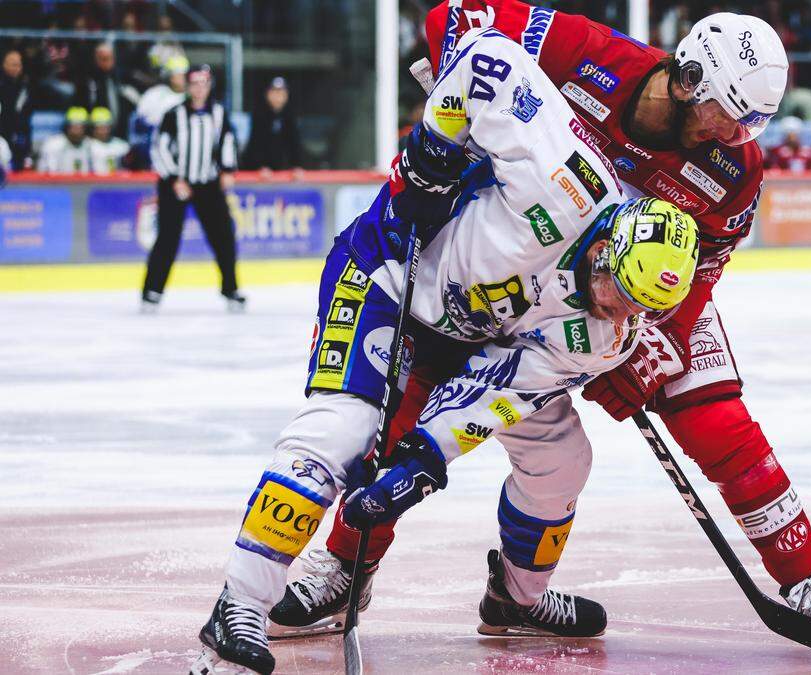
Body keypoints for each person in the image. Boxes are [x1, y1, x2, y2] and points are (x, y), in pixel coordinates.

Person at [282, 1, 811, 638]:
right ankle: (344, 566)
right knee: (405, 406)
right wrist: (460, 110)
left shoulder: (736, 170)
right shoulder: (582, 48)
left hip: (633, 295)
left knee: (716, 419)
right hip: (502, 259)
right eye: (727, 117)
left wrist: (653, 343)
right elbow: (454, 15)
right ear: (690, 77)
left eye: (750, 126)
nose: (733, 139)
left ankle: (803, 574)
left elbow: (703, 271)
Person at [190, 26, 700, 673]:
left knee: (562, 456)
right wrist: (431, 150)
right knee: (342, 431)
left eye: (637, 306)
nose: (616, 310)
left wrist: (424, 457)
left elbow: (504, 385)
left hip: (472, 337)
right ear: (611, 240)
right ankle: (239, 602)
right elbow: (488, 58)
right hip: (384, 275)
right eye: (615, 286)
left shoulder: (610, 334)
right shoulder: (565, 176)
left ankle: (518, 599)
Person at [144, 65, 244, 312]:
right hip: (176, 183)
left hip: (208, 183)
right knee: (167, 238)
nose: (199, 89)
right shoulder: (174, 114)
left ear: (209, 86)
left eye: (204, 83)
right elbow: (160, 148)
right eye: (194, 83)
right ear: (187, 87)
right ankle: (152, 292)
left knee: (223, 236)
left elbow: (228, 141)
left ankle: (231, 289)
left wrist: (228, 170)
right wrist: (175, 179)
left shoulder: (219, 113)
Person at [242, 76, 303, 171]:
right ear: (267, 94)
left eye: (281, 93)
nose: (278, 97)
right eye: (274, 92)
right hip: (259, 172)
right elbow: (255, 144)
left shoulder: (289, 116)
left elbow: (294, 144)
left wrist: (296, 165)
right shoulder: (259, 115)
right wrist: (260, 166)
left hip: (283, 171)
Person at [73, 42, 134, 136]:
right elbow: (82, 107)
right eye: (102, 59)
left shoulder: (121, 78)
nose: (106, 62)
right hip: (95, 135)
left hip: (119, 132)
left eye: (109, 58)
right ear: (95, 59)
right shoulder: (86, 81)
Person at [1, 49, 33, 171]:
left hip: (19, 132)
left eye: (19, 65)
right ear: (4, 64)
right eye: (13, 64)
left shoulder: (24, 84)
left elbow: (27, 115)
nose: (17, 68)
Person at [135, 55, 189, 128]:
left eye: (185, 74)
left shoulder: (192, 96)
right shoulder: (155, 93)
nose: (183, 78)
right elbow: (139, 115)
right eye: (179, 74)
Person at [36, 106, 92, 174]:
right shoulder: (53, 145)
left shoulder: (90, 145)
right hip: (58, 183)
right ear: (67, 127)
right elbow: (49, 175)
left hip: (85, 183)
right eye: (74, 126)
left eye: (81, 126)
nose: (77, 131)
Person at [87, 107, 130, 174]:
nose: (104, 130)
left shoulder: (122, 145)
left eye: (106, 125)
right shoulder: (87, 146)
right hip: (94, 182)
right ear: (93, 128)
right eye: (100, 126)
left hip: (117, 182)